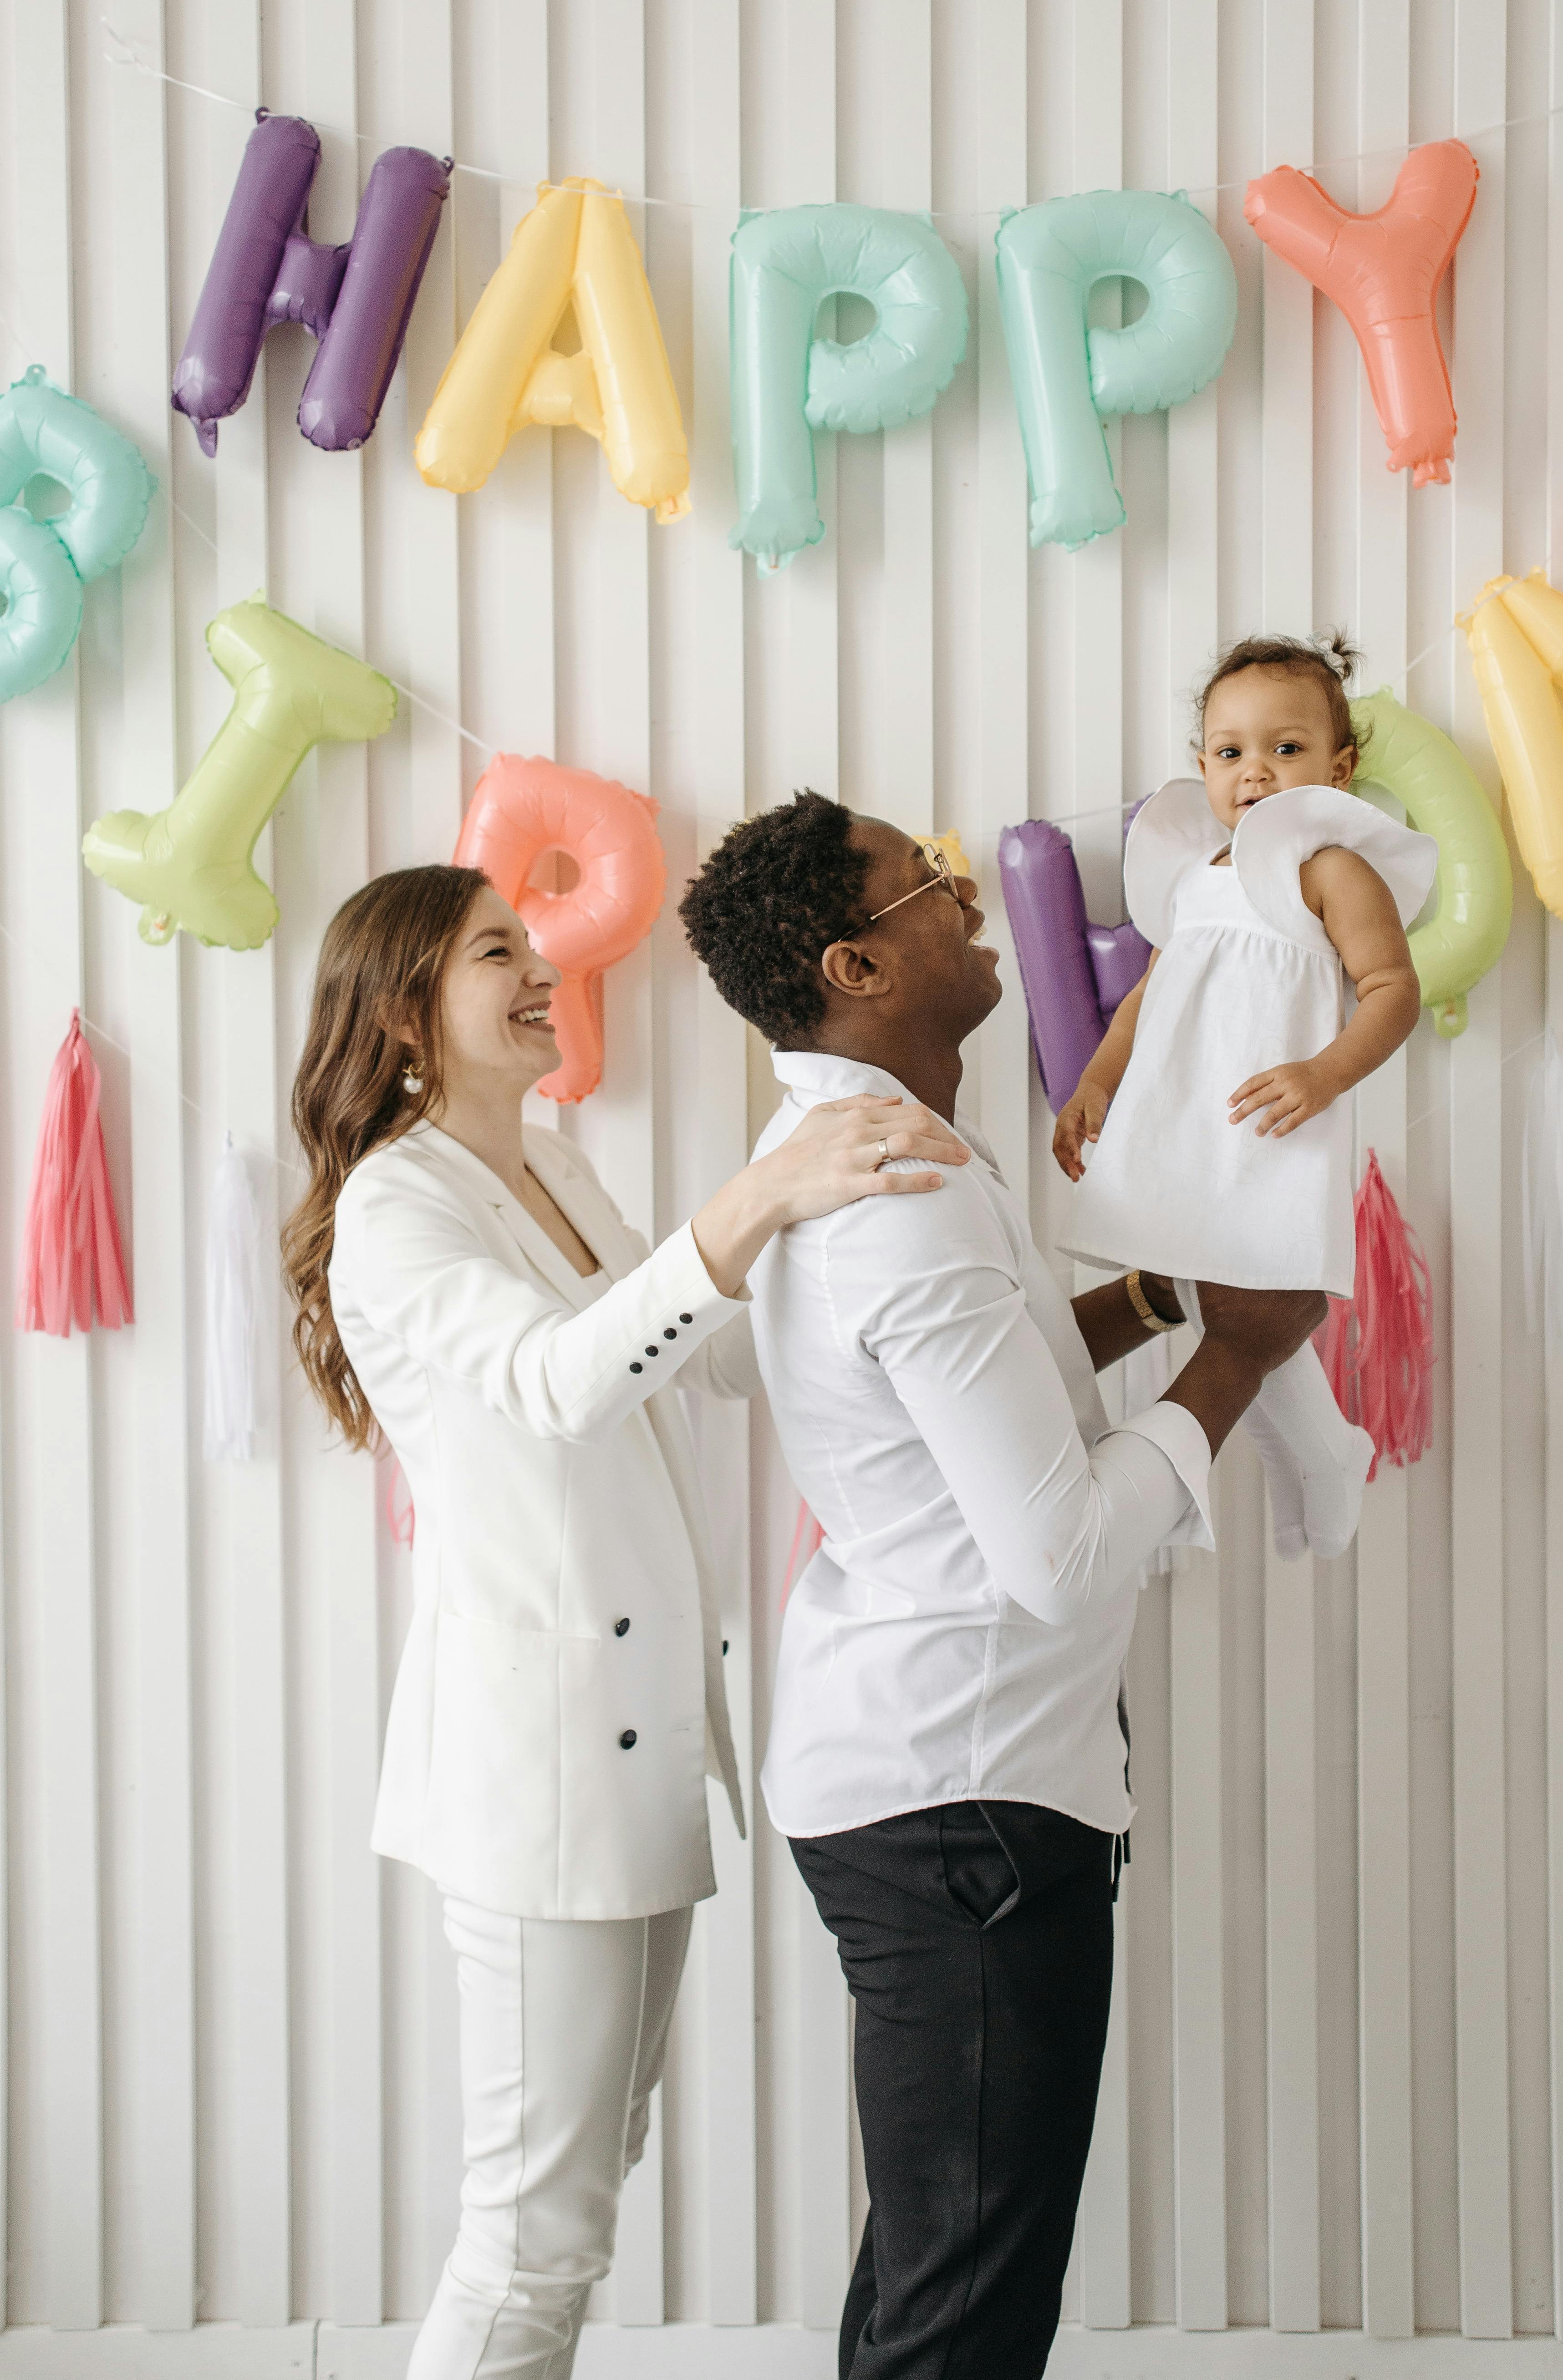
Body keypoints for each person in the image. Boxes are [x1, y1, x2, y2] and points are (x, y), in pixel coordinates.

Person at [281, 860, 967, 2380]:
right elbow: (560, 1378)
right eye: (494, 953)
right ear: (404, 1006)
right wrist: (761, 1195)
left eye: (532, 944)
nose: (539, 971)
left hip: (640, 1759)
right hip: (538, 1783)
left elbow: (699, 1360)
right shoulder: (395, 1205)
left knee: (578, 2202)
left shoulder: (554, 1164)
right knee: (534, 2236)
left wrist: (828, 1228)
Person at [679, 793, 1323, 2380]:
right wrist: (1231, 1366)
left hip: (935, 1789)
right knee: (963, 2318)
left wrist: (1156, 1299)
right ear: (857, 963)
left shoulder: (884, 1162)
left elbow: (977, 1410)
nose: (969, 903)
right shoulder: (899, 1202)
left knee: (927, 2283)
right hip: (962, 1812)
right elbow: (1058, 1557)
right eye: (932, 888)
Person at [1059, 634, 1433, 1559]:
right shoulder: (1194, 878)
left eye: (1285, 748)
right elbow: (1146, 999)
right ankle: (1320, 1450)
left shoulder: (1330, 869)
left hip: (1273, 1119)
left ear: (1338, 769)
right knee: (1212, 1285)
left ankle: (1308, 1456)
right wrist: (1096, 1083)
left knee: (1248, 1296)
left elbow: (1391, 989)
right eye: (1230, 752)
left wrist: (1324, 1071)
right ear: (1201, 768)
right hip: (1186, 1119)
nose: (1254, 772)